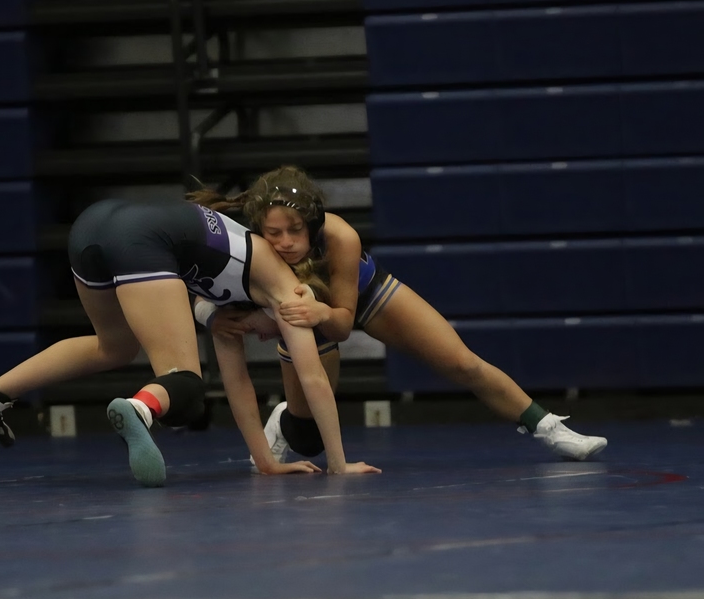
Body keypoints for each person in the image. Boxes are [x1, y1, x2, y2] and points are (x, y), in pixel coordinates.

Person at [187, 166, 608, 464]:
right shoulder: (248, 245)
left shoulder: (340, 237)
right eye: (273, 233)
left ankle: (550, 427)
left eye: (295, 231)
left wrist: (320, 310)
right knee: (308, 437)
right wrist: (210, 317)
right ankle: (287, 419)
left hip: (362, 295)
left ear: (313, 222)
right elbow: (197, 290)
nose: (284, 243)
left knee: (462, 361)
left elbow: (344, 323)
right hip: (303, 319)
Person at [0, 198, 379, 488]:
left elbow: (239, 386)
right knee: (186, 384)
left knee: (113, 345)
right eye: (267, 330)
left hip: (93, 226)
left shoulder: (223, 305)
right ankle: (139, 407)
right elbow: (314, 380)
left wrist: (266, 462)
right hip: (142, 241)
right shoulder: (291, 297)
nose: (263, 335)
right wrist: (338, 466)